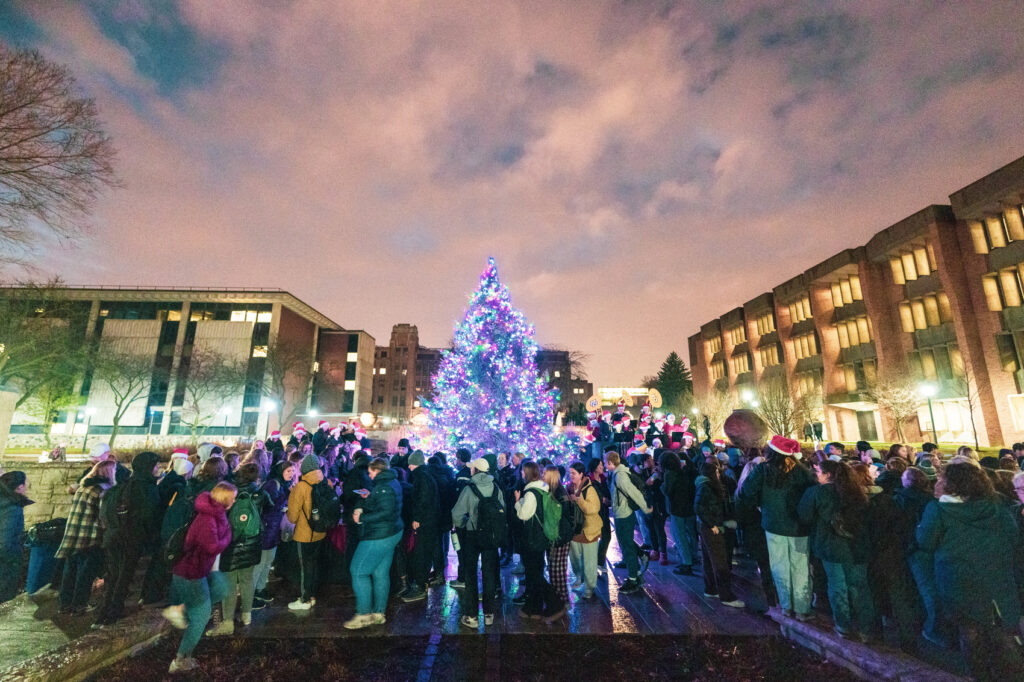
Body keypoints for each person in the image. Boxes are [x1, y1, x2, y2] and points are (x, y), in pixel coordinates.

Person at [917, 461, 1023, 680]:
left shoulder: (938, 509)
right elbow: (1013, 537)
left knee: (970, 632)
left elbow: (925, 541)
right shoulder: (997, 506)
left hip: (958, 581)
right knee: (1003, 630)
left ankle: (979, 676)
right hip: (997, 577)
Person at [161, 482, 236, 674]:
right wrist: (228, 536)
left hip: (200, 569)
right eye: (233, 498)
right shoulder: (207, 519)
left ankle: (182, 609)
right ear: (226, 500)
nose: (235, 501)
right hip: (190, 572)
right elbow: (212, 546)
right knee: (201, 616)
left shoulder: (216, 514)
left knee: (221, 589)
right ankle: (180, 660)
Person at [738, 435, 815, 620]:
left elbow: (746, 492)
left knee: (779, 566)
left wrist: (760, 505)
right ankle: (802, 608)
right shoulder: (802, 471)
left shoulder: (763, 470)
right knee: (801, 568)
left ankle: (786, 606)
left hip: (773, 525)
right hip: (799, 527)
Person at [798, 460, 874, 640]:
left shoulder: (816, 492)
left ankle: (843, 625)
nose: (816, 475)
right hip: (857, 546)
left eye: (819, 472)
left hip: (831, 546)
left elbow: (804, 516)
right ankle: (867, 629)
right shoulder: (856, 492)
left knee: (837, 586)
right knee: (859, 587)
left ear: (828, 475)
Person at [95, 451, 163, 627]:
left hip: (113, 536)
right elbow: (149, 516)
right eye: (156, 465)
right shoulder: (147, 489)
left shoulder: (122, 486)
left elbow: (105, 511)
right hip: (131, 539)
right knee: (123, 577)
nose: (158, 469)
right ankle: (112, 614)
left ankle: (102, 613)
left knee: (113, 576)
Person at [208, 463, 268, 635]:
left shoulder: (229, 492)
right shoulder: (258, 493)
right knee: (247, 580)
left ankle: (228, 621)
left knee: (230, 584)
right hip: (251, 544)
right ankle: (247, 615)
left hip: (230, 545)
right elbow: (269, 508)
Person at [345, 457, 404, 629]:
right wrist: (369, 497)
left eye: (371, 472)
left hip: (380, 534)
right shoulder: (391, 482)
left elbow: (385, 512)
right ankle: (378, 613)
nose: (369, 476)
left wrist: (362, 517)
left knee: (358, 571)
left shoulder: (384, 487)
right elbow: (386, 506)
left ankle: (364, 615)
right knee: (380, 573)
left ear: (377, 471)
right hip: (392, 532)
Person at [56, 460, 116, 614]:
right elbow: (103, 515)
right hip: (90, 536)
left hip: (73, 534)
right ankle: (79, 604)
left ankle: (65, 604)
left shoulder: (83, 487)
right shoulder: (102, 490)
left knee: (70, 569)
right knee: (86, 572)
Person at [450, 457, 503, 628]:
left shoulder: (469, 489)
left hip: (473, 534)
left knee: (470, 574)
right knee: (489, 573)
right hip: (491, 536)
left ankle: (472, 616)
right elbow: (502, 510)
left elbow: (456, 514)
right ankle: (489, 614)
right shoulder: (496, 488)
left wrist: (464, 524)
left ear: (475, 470)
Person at [515, 461, 565, 622]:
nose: (521, 474)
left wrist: (517, 502)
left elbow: (523, 515)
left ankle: (556, 604)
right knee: (534, 574)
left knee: (535, 575)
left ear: (527, 473)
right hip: (540, 537)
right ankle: (533, 608)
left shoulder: (531, 493)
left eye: (523, 471)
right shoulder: (543, 489)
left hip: (532, 539)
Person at [695, 461, 744, 608]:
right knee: (720, 561)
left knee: (709, 559)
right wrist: (712, 524)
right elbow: (699, 507)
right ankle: (726, 596)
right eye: (716, 472)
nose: (718, 474)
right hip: (711, 528)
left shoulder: (704, 485)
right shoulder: (706, 487)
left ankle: (711, 589)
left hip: (707, 527)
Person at [606, 451, 652, 594]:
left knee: (626, 546)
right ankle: (637, 571)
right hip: (621, 512)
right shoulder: (617, 474)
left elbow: (633, 493)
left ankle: (633, 578)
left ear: (610, 463)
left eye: (606, 463)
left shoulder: (620, 476)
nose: (605, 465)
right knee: (626, 542)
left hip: (624, 514)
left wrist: (645, 508)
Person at [286, 453, 327, 610]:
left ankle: (304, 600)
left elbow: (292, 517)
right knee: (314, 565)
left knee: (305, 568)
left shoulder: (301, 487)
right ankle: (312, 596)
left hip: (304, 534)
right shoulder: (324, 481)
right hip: (320, 532)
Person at [401, 450, 439, 602]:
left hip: (425, 521)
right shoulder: (427, 475)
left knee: (421, 552)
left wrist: (417, 518)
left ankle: (420, 585)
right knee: (424, 551)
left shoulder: (421, 477)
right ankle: (421, 583)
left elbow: (422, 499)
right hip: (430, 520)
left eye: (411, 464)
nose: (409, 467)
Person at [253, 460, 290, 608]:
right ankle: (251, 593)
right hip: (267, 527)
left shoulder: (283, 484)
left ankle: (260, 588)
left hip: (274, 528)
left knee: (268, 560)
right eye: (288, 471)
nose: (291, 474)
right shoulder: (273, 484)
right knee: (261, 562)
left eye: (292, 471)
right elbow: (269, 504)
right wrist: (283, 505)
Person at [567, 462, 601, 599]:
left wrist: (579, 500)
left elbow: (593, 509)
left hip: (589, 530)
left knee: (589, 561)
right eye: (570, 473)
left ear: (581, 474)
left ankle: (589, 587)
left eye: (574, 473)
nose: (571, 475)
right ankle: (579, 577)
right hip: (575, 530)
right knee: (575, 558)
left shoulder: (589, 489)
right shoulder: (569, 487)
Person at [661, 450, 698, 575]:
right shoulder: (686, 472)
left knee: (679, 535)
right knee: (691, 533)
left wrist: (661, 484)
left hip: (677, 508)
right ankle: (693, 556)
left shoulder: (670, 474)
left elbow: (667, 491)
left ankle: (686, 562)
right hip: (689, 507)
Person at [0, 471, 32, 603]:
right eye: (26, 484)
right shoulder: (12, 508)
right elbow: (4, 541)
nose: (27, 487)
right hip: (6, 564)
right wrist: (14, 560)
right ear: (19, 487)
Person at [543, 465, 572, 604]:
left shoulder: (558, 492)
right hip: (556, 534)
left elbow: (560, 516)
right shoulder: (555, 490)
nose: (542, 475)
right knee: (554, 569)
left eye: (544, 473)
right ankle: (559, 600)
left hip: (560, 535)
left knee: (557, 570)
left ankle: (562, 601)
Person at [587, 457, 612, 574]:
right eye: (600, 465)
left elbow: (606, 496)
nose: (602, 467)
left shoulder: (603, 479)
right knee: (596, 538)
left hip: (604, 512)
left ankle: (599, 562)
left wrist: (607, 500)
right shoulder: (590, 480)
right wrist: (604, 499)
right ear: (595, 467)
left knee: (606, 536)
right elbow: (597, 497)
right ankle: (596, 563)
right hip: (595, 513)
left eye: (602, 465)